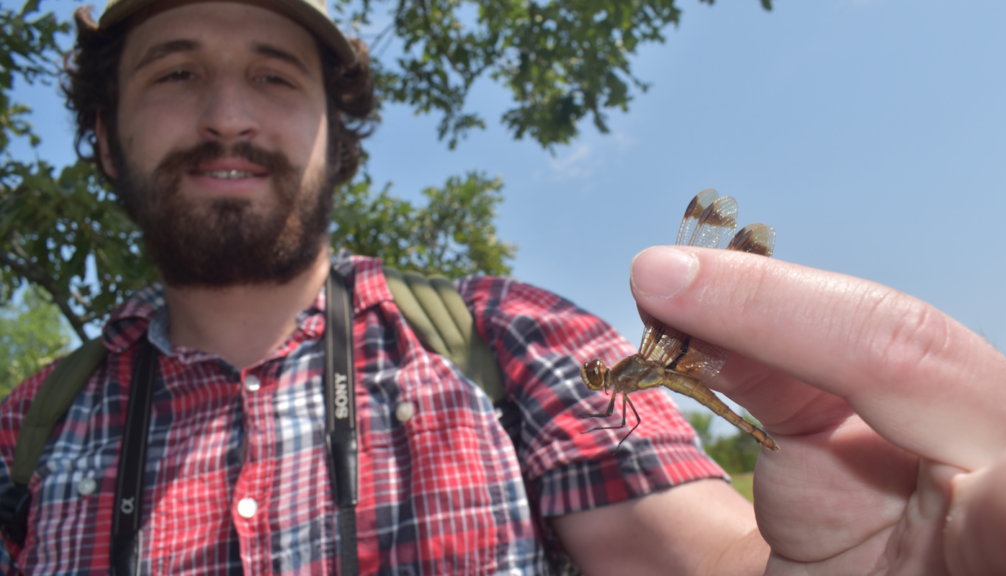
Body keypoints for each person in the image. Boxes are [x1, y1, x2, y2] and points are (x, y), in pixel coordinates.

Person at [0, 0, 769, 573]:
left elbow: (716, 553)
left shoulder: (520, 342)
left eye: (273, 75)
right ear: (104, 137)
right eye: (176, 72)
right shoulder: (24, 431)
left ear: (337, 139)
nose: (227, 117)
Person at [628, 245, 1006, 575]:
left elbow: (709, 556)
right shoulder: (613, 384)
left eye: (596, 373)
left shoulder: (594, 349)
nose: (595, 377)